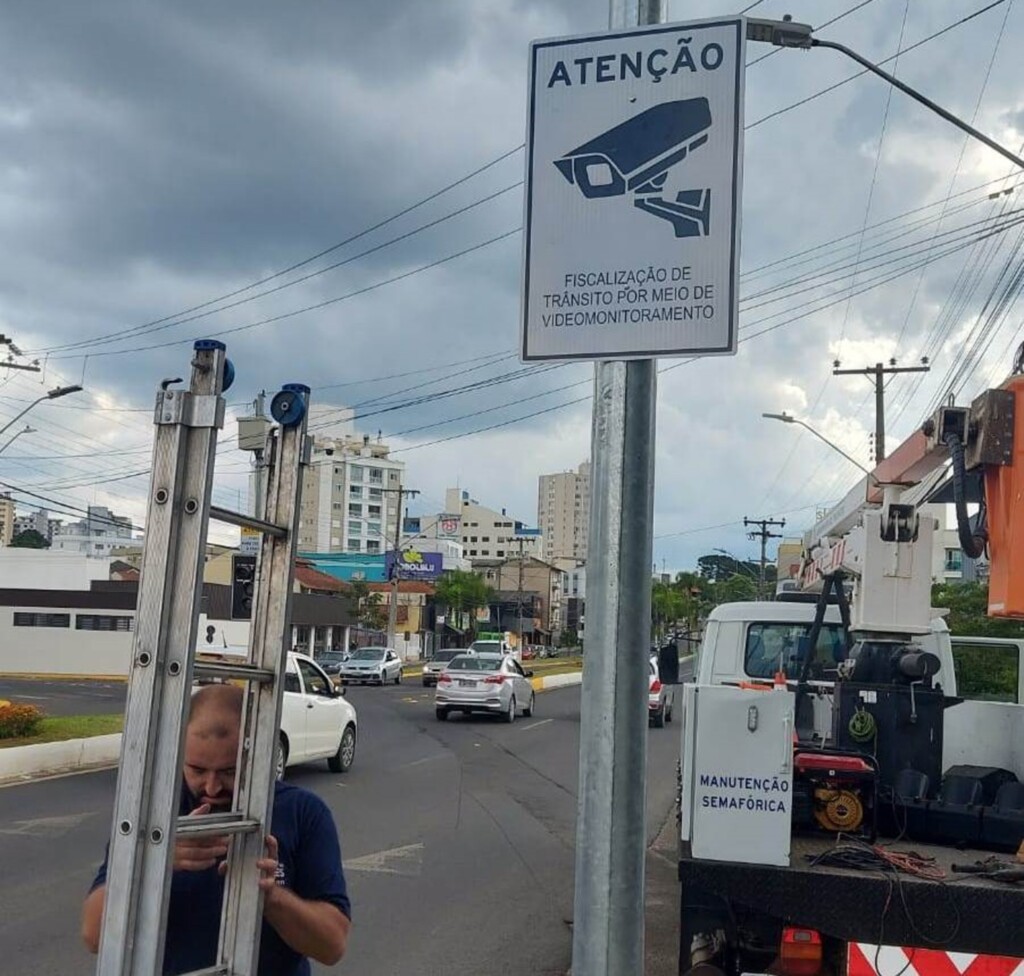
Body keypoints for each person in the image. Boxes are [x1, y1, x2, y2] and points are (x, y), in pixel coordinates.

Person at [81, 684, 350, 974]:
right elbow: (94, 935)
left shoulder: (303, 812)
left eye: (229, 772)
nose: (211, 787)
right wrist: (154, 863)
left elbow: (331, 946)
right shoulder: (150, 817)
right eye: (196, 770)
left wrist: (272, 898)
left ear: (258, 755)